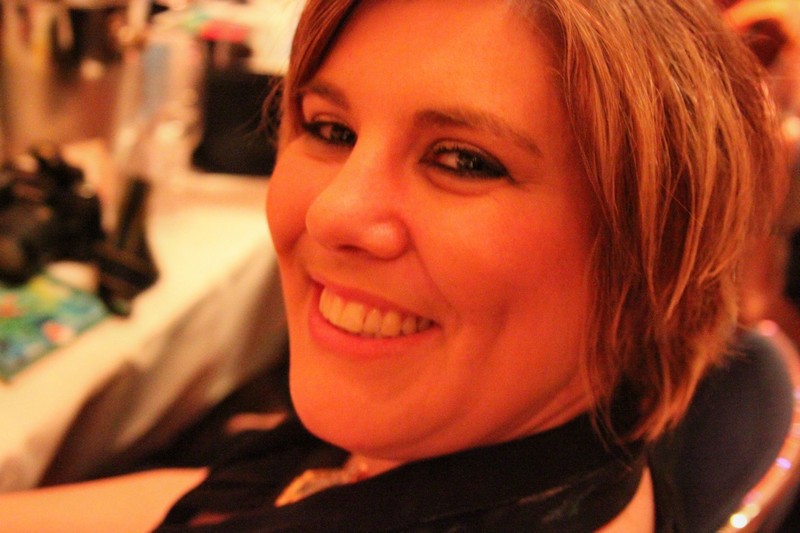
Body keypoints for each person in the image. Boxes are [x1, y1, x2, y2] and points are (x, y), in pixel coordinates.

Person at [0, 0, 788, 531]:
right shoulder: (468, 445)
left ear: (654, 254)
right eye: (330, 129)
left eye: (463, 160)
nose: (331, 212)